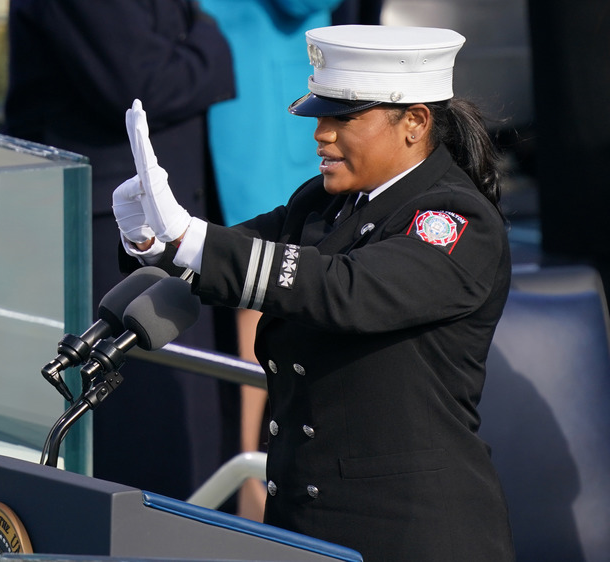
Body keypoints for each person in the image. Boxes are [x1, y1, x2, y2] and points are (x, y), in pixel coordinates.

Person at [112, 25, 516, 561]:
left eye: (343, 118)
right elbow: (230, 260)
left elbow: (349, 291)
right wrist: (149, 238)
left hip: (410, 534)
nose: (321, 134)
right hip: (307, 528)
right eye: (320, 116)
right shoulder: (322, 203)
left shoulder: (453, 220)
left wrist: (192, 238)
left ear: (414, 123)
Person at [4, 0, 241, 504]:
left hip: (155, 226)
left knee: (183, 441)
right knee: (137, 443)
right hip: (99, 231)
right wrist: (211, 45)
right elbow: (134, 84)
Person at [195, 0, 343, 521]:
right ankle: (252, 486)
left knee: (256, 294)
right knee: (258, 297)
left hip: (244, 106)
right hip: (262, 110)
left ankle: (250, 480)